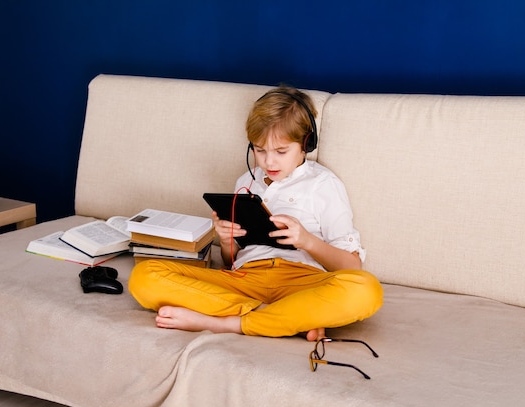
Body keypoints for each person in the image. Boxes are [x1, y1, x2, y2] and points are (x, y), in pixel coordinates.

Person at [128, 86, 383, 341]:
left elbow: (352, 267)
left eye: (281, 152)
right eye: (260, 150)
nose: (269, 162)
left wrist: (307, 241)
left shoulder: (323, 184)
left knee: (366, 291)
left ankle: (224, 323)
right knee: (144, 276)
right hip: (245, 279)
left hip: (302, 281)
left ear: (306, 144)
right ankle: (280, 317)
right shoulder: (246, 182)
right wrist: (226, 239)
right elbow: (230, 262)